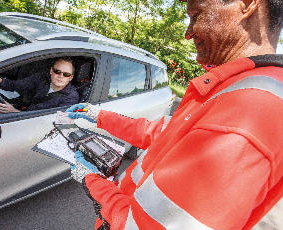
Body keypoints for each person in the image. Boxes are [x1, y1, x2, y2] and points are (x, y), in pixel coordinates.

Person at [67, 0, 283, 229]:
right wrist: (100, 116)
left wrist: (94, 182)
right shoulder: (238, 87)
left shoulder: (249, 110)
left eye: (196, 15)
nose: (188, 33)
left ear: (246, 4)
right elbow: (162, 134)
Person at [0, 57, 79, 112]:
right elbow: (16, 85)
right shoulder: (42, 78)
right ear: (51, 71)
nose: (61, 76)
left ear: (70, 77)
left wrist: (14, 112)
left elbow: (51, 122)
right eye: (57, 71)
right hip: (25, 111)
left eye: (66, 74)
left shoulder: (70, 97)